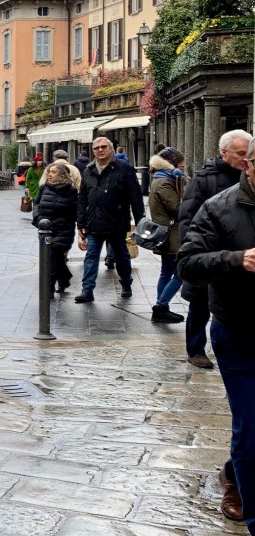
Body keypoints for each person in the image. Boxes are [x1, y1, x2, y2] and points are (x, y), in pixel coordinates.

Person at [179, 134, 255, 536]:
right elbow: (187, 263)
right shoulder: (218, 206)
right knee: (252, 423)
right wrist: (237, 259)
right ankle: (248, 502)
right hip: (239, 331)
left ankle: (234, 471)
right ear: (248, 165)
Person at [177, 129, 253, 371]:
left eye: (247, 154)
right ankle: (196, 349)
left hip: (240, 268)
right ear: (224, 152)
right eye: (240, 153)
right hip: (212, 257)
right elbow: (187, 219)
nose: (244, 159)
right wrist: (199, 250)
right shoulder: (205, 180)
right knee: (200, 305)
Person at [74, 137, 144, 303]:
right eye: (96, 148)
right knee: (91, 256)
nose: (100, 150)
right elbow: (82, 198)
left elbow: (135, 197)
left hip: (116, 222)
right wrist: (80, 223)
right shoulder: (88, 170)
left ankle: (126, 283)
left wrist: (140, 221)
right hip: (94, 222)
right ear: (93, 151)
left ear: (111, 149)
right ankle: (87, 290)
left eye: (103, 147)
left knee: (121, 256)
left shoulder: (124, 169)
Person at [148, 147, 186, 325]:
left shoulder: (161, 179)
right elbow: (178, 209)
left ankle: (161, 307)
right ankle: (161, 306)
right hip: (171, 234)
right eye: (181, 162)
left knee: (166, 272)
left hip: (166, 233)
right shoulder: (164, 182)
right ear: (172, 164)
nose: (183, 165)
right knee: (179, 274)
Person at [33, 161, 78, 294]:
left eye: (53, 172)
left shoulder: (71, 191)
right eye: (49, 172)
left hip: (63, 230)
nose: (50, 175)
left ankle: (49, 288)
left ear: (62, 174)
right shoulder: (43, 188)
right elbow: (36, 204)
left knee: (53, 255)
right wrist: (38, 218)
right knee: (52, 257)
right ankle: (64, 278)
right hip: (46, 229)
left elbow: (75, 211)